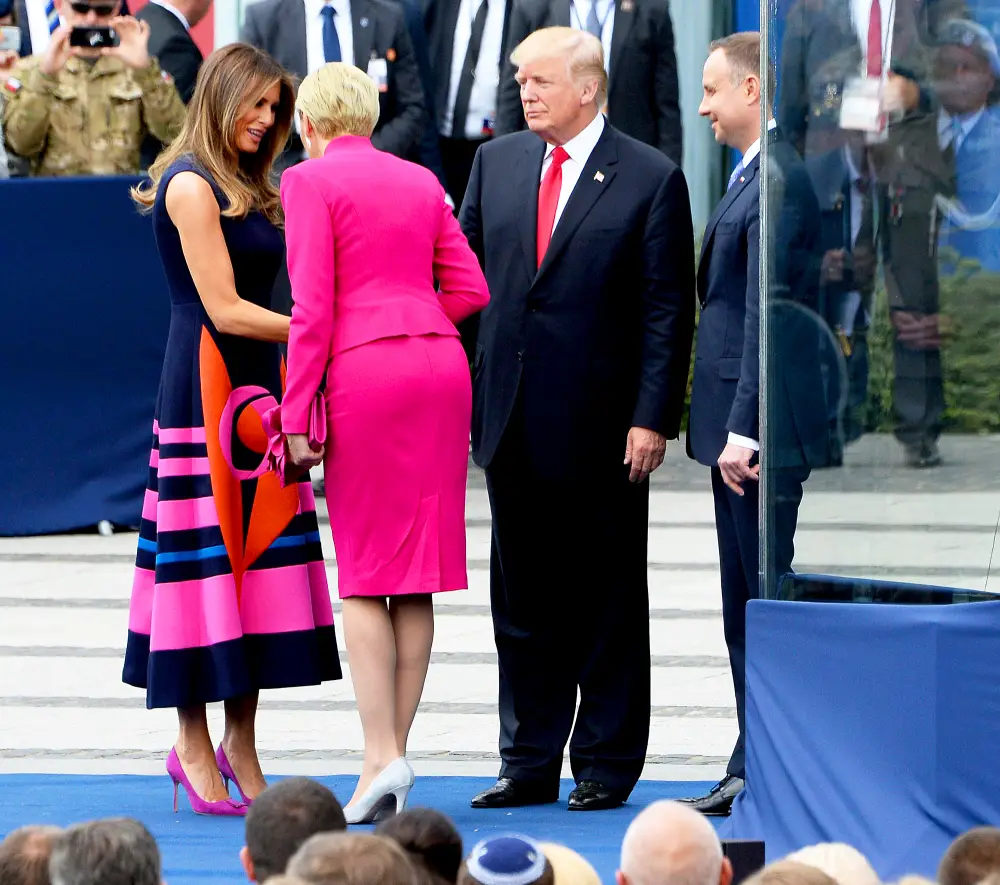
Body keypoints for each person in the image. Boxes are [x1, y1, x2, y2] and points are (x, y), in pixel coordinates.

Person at [460, 26, 695, 812]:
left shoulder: (651, 175)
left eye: (539, 81)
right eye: (520, 79)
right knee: (521, 602)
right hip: (511, 418)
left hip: (604, 428)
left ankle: (604, 758)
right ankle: (526, 759)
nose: (524, 92)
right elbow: (461, 282)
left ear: (587, 88)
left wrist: (652, 415)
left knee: (605, 599)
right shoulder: (496, 163)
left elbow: (667, 310)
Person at [121, 43, 342, 817]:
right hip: (205, 385)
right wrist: (320, 332)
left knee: (257, 568)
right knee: (205, 568)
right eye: (255, 106)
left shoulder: (259, 184)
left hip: (261, 383)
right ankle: (191, 744)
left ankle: (240, 743)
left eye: (276, 110)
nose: (267, 120)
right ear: (220, 100)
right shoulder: (187, 184)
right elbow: (223, 308)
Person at [280, 61, 489, 823]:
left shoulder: (306, 183)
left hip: (367, 374)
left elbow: (312, 307)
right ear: (369, 116)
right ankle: (391, 751)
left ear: (308, 124)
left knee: (365, 571)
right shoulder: (418, 179)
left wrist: (295, 412)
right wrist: (408, 311)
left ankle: (379, 754)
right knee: (416, 573)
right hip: (438, 366)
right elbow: (471, 289)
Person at [682, 31, 824, 816]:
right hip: (734, 430)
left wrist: (746, 429)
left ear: (750, 90)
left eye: (711, 89)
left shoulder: (772, 175)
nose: (702, 104)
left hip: (752, 437)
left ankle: (763, 761)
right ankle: (754, 754)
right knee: (743, 604)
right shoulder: (752, 171)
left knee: (759, 604)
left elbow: (767, 316)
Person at [2, 0, 186, 176]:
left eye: (102, 10)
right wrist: (45, 77)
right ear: (60, 5)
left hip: (119, 196)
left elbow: (178, 137)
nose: (91, 19)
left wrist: (146, 72)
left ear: (116, 9)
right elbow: (20, 145)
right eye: (80, 8)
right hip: (53, 198)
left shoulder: (136, 70)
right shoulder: (32, 70)